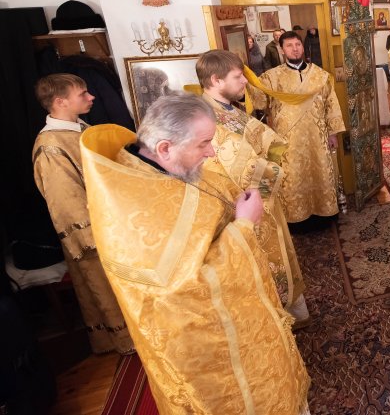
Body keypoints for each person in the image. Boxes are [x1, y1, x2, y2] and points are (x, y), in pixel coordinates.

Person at [81, 94, 310, 414]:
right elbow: (185, 289)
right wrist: (244, 226)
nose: (212, 152)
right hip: (210, 354)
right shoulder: (132, 207)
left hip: (244, 319)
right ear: (164, 148)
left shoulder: (169, 169)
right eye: (203, 144)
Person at [195, 50, 310, 326]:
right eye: (238, 77)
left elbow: (266, 139)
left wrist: (271, 155)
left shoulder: (227, 108)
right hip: (248, 207)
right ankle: (276, 324)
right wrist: (272, 171)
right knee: (263, 268)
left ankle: (291, 312)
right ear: (216, 80)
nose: (245, 81)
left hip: (263, 201)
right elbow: (237, 168)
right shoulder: (207, 119)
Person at [32, 74, 133, 355]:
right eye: (83, 94)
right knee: (105, 288)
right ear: (60, 102)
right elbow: (66, 201)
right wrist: (93, 239)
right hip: (94, 234)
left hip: (114, 222)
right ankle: (125, 339)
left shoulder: (80, 128)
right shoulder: (50, 146)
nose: (92, 97)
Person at [249, 31, 345, 222]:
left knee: (320, 173)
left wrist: (333, 133)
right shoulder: (272, 77)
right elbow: (260, 102)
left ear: (303, 46)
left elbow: (331, 104)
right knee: (293, 176)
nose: (295, 49)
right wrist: (247, 80)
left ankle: (324, 213)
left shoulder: (320, 76)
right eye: (289, 46)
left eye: (297, 45)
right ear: (282, 50)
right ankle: (296, 218)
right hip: (288, 139)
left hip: (317, 137)